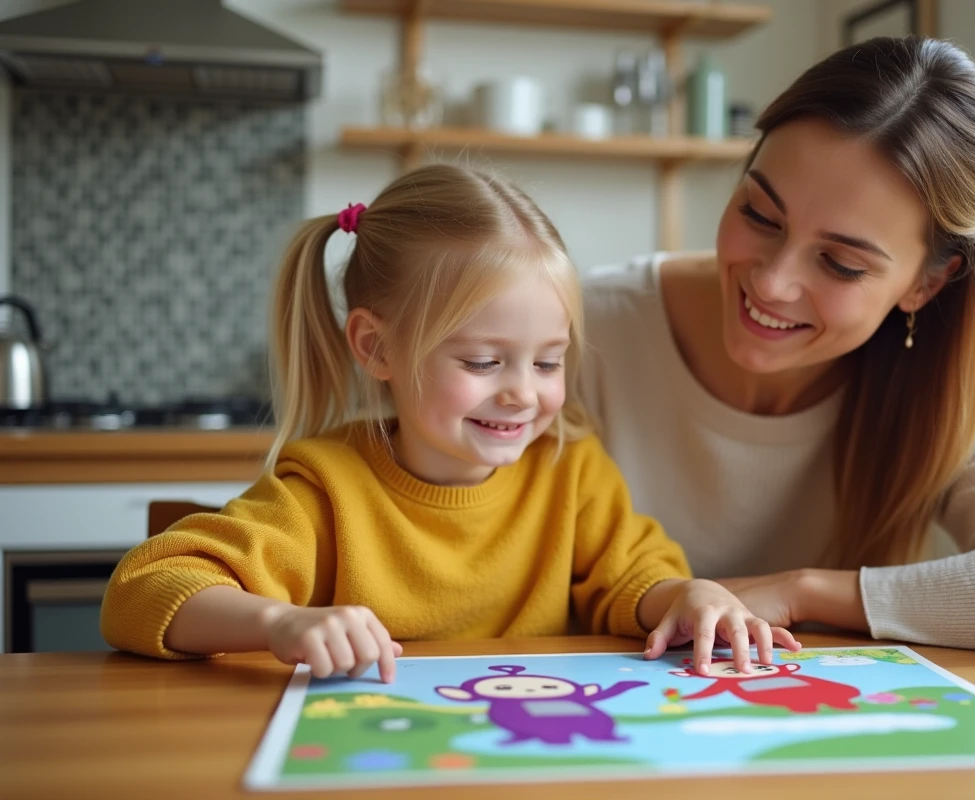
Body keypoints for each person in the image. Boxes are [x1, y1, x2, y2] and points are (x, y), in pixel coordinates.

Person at [101, 165, 798, 682]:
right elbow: (142, 589)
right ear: (376, 348)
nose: (524, 395)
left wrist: (689, 593)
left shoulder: (570, 469)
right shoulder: (324, 487)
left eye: (549, 363)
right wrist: (279, 621)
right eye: (486, 361)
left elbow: (634, 580)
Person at [579, 37, 975, 659]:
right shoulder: (580, 331)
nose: (771, 281)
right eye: (760, 214)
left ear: (924, 284)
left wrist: (798, 591)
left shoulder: (942, 389)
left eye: (840, 264)